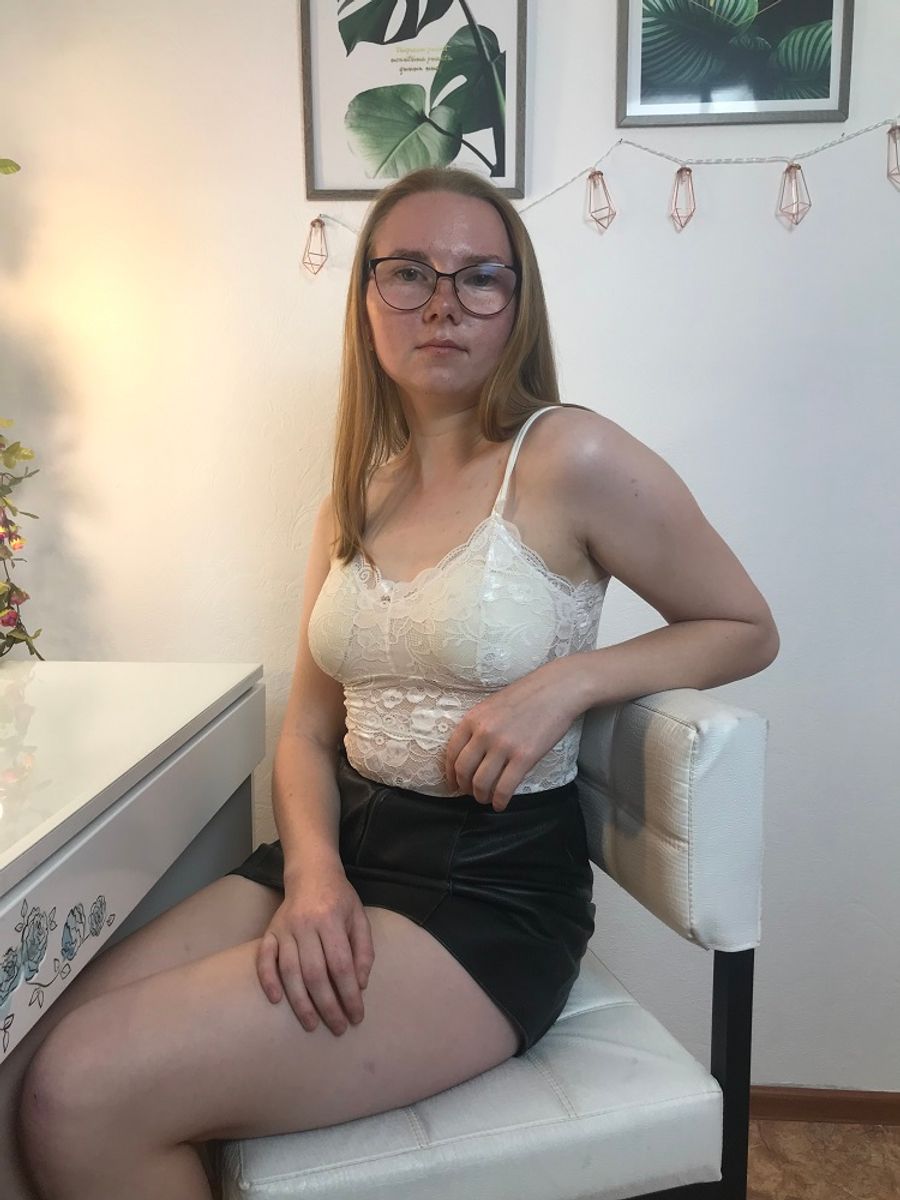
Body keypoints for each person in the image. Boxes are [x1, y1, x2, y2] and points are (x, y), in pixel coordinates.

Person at [7, 165, 780, 1198]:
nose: (443, 302)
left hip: (486, 894)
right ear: (367, 298)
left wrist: (571, 681)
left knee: (80, 1091)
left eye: (480, 277)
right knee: (18, 1048)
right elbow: (305, 734)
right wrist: (314, 875)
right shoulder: (352, 500)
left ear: (517, 304)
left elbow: (744, 626)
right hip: (343, 853)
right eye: (409, 272)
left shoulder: (570, 454)